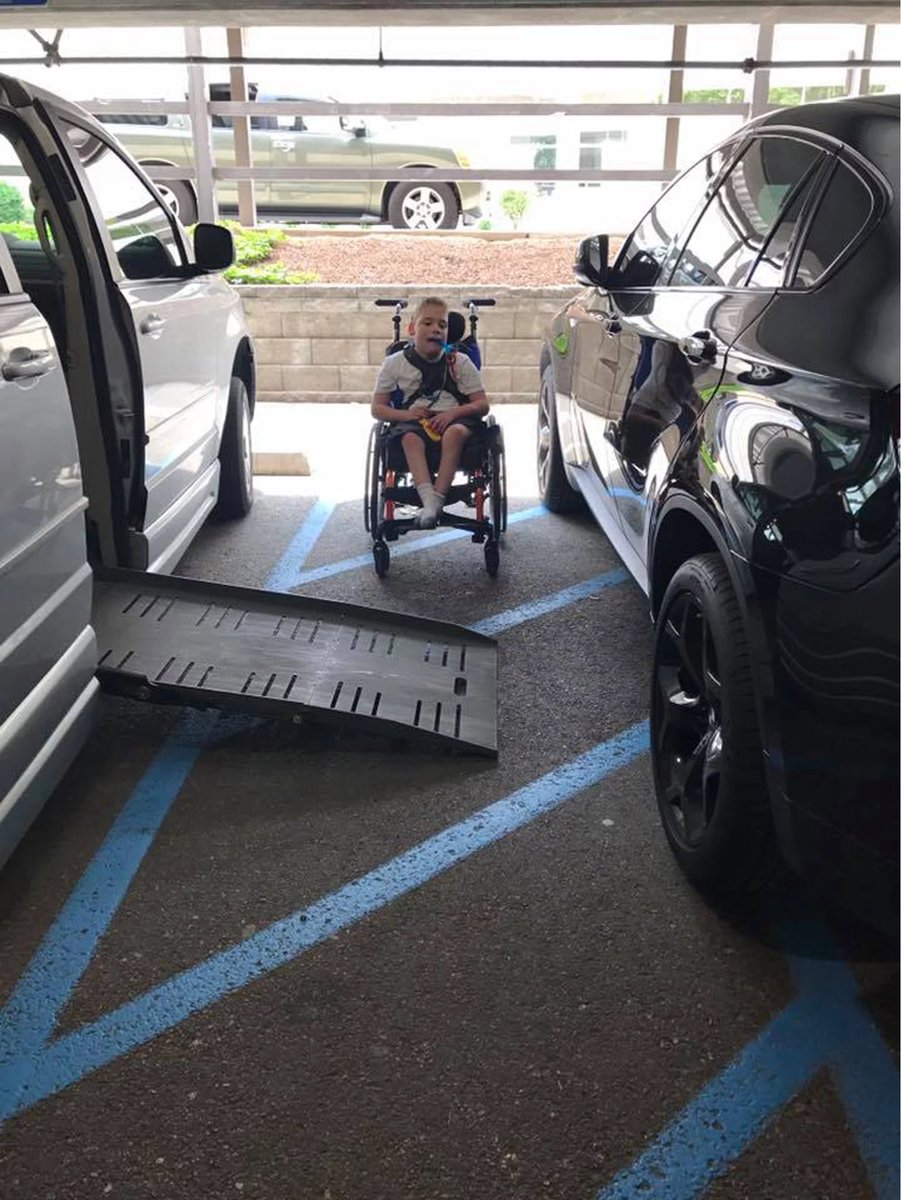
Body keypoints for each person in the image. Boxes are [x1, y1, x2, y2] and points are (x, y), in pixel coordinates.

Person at [371, 296, 490, 528]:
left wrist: (452, 414)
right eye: (427, 323)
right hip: (415, 420)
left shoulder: (460, 362)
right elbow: (378, 408)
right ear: (412, 329)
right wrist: (407, 415)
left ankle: (436, 501)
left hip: (455, 418)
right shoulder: (395, 363)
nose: (436, 329)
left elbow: (482, 405)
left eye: (442, 325)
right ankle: (430, 501)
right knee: (409, 438)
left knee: (455, 433)